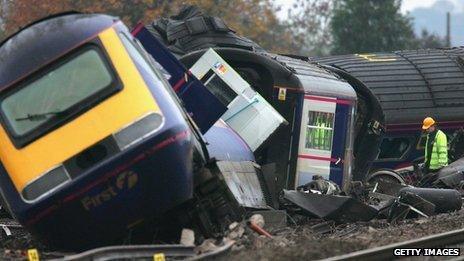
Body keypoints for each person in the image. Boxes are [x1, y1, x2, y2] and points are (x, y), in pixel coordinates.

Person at [419, 117, 448, 186]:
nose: (427, 130)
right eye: (426, 129)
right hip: (429, 167)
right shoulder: (429, 136)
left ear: (433, 126)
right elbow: (428, 151)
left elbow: (442, 151)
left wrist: (442, 166)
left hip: (437, 169)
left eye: (428, 128)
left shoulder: (440, 135)